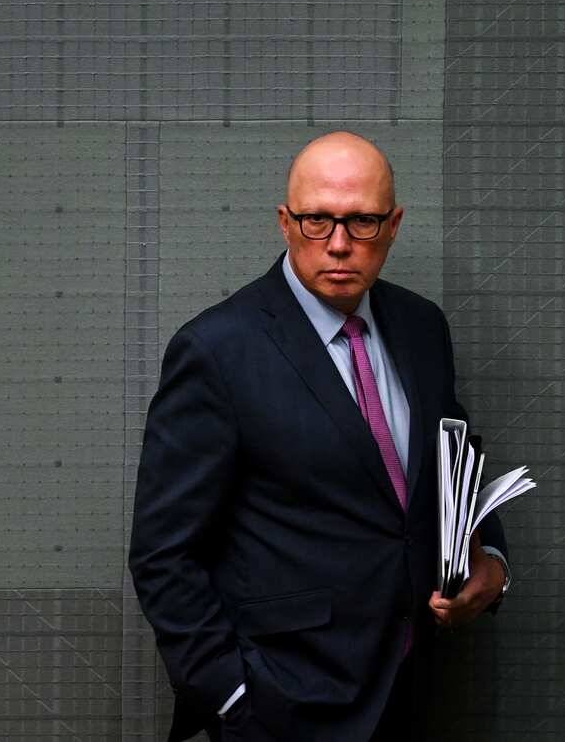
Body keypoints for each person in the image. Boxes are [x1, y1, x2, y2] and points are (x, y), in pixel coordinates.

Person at [128, 132, 511, 742]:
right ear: (285, 222)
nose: (338, 244)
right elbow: (161, 553)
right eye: (316, 221)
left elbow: (448, 467)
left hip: (412, 690)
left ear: (393, 225)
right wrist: (234, 699)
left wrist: (491, 560)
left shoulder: (422, 326)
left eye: (362, 221)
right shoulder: (217, 349)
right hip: (284, 706)